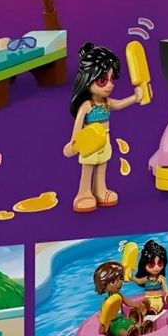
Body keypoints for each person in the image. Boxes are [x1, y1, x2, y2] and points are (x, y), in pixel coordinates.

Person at [63, 42, 142, 213]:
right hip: (90, 142)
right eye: (102, 80)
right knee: (88, 168)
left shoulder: (106, 102)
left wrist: (136, 98)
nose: (110, 85)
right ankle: (83, 193)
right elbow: (78, 125)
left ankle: (100, 190)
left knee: (102, 166)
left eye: (112, 79)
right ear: (87, 79)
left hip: (105, 140)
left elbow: (119, 104)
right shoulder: (87, 105)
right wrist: (74, 143)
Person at [92, 261, 143, 336]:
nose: (119, 283)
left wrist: (138, 305)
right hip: (114, 324)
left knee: (131, 326)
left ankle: (138, 330)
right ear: (104, 287)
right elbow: (104, 316)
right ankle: (129, 334)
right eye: (113, 282)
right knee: (121, 331)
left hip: (123, 319)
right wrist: (104, 328)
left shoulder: (119, 296)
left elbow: (129, 303)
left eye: (120, 279)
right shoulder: (106, 302)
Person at [130, 240, 168, 315]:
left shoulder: (161, 278)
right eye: (151, 264)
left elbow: (165, 289)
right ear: (144, 264)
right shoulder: (146, 279)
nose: (156, 267)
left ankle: (150, 311)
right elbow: (138, 281)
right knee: (143, 305)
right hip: (148, 300)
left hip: (157, 300)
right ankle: (139, 314)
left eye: (160, 263)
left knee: (155, 306)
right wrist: (131, 277)